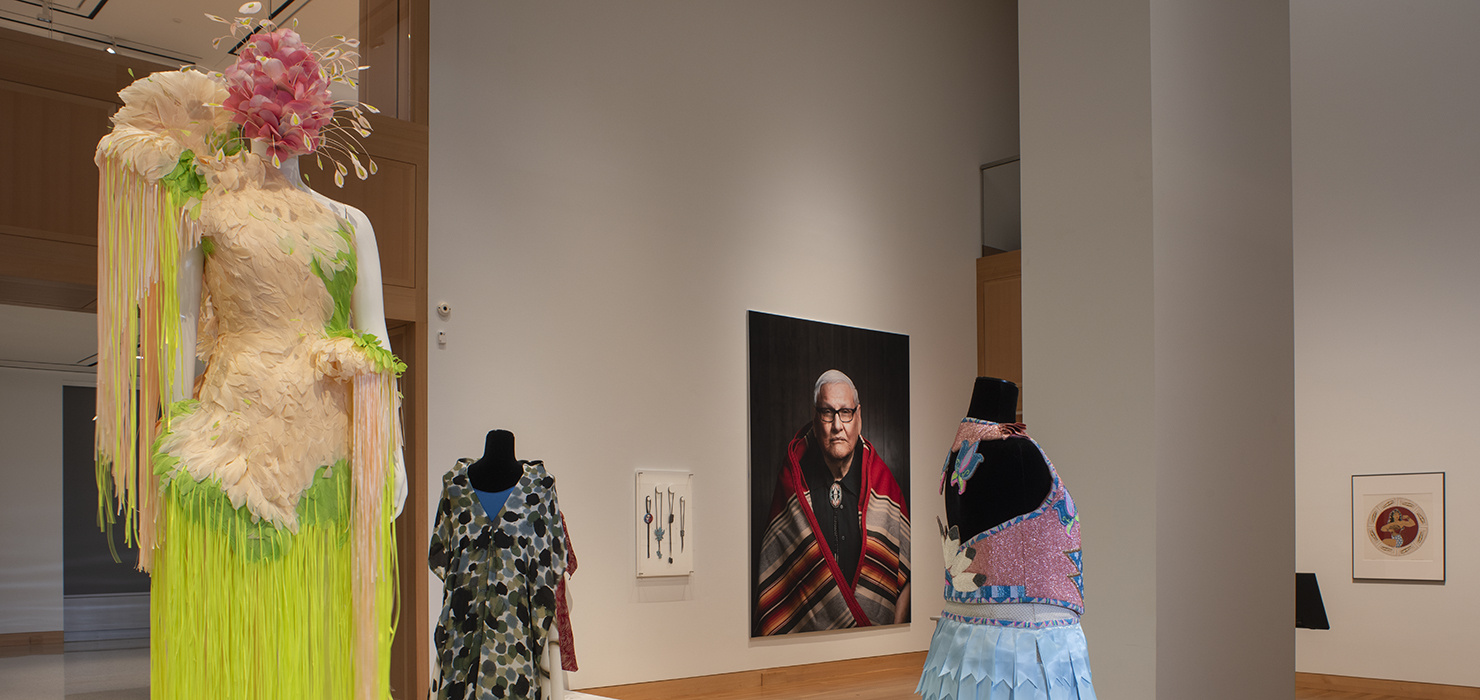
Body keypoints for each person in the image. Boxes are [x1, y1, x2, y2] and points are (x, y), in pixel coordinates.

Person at [755, 370, 910, 635]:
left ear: (858, 417)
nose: (837, 425)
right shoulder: (792, 484)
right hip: (807, 651)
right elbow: (776, 578)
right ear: (815, 421)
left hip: (874, 648)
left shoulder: (883, 484)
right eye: (827, 413)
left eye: (846, 412)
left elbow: (907, 567)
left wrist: (891, 636)